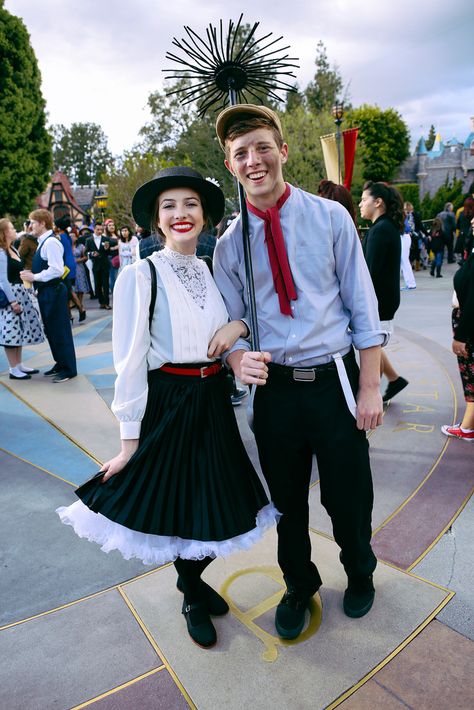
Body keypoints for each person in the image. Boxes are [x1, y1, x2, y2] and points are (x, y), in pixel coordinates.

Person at [56, 166, 277, 649]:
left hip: (214, 401)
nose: (182, 214)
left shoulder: (209, 268)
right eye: (170, 206)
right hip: (169, 402)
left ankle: (192, 580)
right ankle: (194, 594)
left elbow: (238, 318)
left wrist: (237, 326)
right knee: (180, 507)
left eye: (191, 204)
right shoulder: (140, 275)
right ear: (157, 220)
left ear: (204, 216)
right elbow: (130, 362)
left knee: (224, 503)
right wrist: (128, 443)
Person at [213, 104, 385, 640]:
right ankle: (298, 582)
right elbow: (229, 319)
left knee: (348, 492)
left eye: (263, 147)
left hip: (333, 381)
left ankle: (360, 572)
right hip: (276, 389)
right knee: (285, 502)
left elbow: (362, 304)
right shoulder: (228, 243)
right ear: (230, 165)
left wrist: (370, 385)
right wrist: (235, 357)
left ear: (283, 151)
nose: (254, 159)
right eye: (241, 153)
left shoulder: (331, 218)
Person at [360, 181, 409, 403]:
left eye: (364, 199)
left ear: (378, 202)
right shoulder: (385, 227)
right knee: (375, 345)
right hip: (384, 300)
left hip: (378, 302)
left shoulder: (380, 230)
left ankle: (373, 393)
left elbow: (369, 273)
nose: (360, 204)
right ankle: (393, 379)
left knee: (371, 346)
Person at [19, 209, 77, 383]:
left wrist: (34, 277)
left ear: (42, 223)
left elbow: (57, 270)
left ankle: (68, 369)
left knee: (59, 330)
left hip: (54, 292)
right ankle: (60, 363)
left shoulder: (50, 243)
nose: (30, 226)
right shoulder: (44, 241)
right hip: (47, 291)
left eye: (32, 222)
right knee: (52, 330)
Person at [0, 218, 44, 379]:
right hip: (10, 295)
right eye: (11, 228)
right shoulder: (1, 252)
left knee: (19, 330)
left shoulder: (13, 249)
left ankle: (19, 364)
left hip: (20, 292)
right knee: (10, 331)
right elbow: (3, 280)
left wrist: (29, 290)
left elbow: (20, 274)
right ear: (4, 233)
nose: (14, 230)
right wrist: (12, 301)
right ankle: (13, 368)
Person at [442, 231, 474, 441]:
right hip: (467, 323)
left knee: (471, 375)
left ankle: (468, 427)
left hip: (469, 328)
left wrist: (461, 336)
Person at [85, 223, 112, 309]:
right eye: (98, 229)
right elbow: (86, 252)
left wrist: (107, 249)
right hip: (95, 265)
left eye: (101, 230)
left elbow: (109, 253)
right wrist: (92, 254)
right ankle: (101, 302)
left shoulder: (106, 239)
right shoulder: (89, 240)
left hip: (104, 264)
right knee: (98, 285)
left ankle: (107, 303)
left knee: (106, 284)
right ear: (94, 229)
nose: (100, 231)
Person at [71, 230, 88, 320]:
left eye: (73, 236)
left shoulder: (81, 246)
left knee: (80, 287)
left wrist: (78, 260)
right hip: (70, 268)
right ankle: (77, 305)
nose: (71, 237)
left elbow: (85, 257)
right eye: (70, 236)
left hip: (79, 267)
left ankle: (80, 304)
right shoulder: (66, 247)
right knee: (72, 288)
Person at [104, 219, 120, 293]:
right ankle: (114, 292)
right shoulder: (105, 237)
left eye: (113, 225)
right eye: (109, 225)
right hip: (111, 259)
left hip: (121, 258)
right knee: (113, 277)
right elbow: (105, 249)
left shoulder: (118, 235)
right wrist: (115, 247)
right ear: (106, 227)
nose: (111, 227)